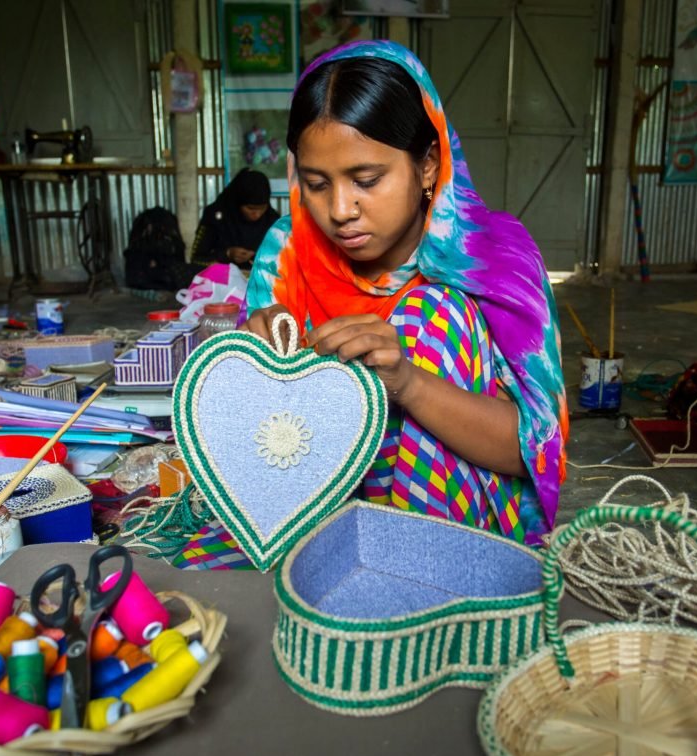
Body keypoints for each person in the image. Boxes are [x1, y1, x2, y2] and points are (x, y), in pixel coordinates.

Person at [242, 41, 567, 544]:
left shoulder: (494, 261)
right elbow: (259, 445)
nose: (341, 209)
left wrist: (408, 383)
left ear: (429, 165)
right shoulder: (289, 252)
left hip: (457, 521)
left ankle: (415, 573)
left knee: (432, 312)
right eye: (317, 183)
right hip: (321, 510)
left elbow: (530, 452)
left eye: (366, 180)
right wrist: (250, 368)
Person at [190, 167, 279, 271]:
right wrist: (227, 254)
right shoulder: (216, 217)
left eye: (262, 208)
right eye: (250, 208)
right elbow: (196, 259)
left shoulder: (272, 220)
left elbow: (285, 260)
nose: (257, 214)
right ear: (237, 203)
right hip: (221, 283)